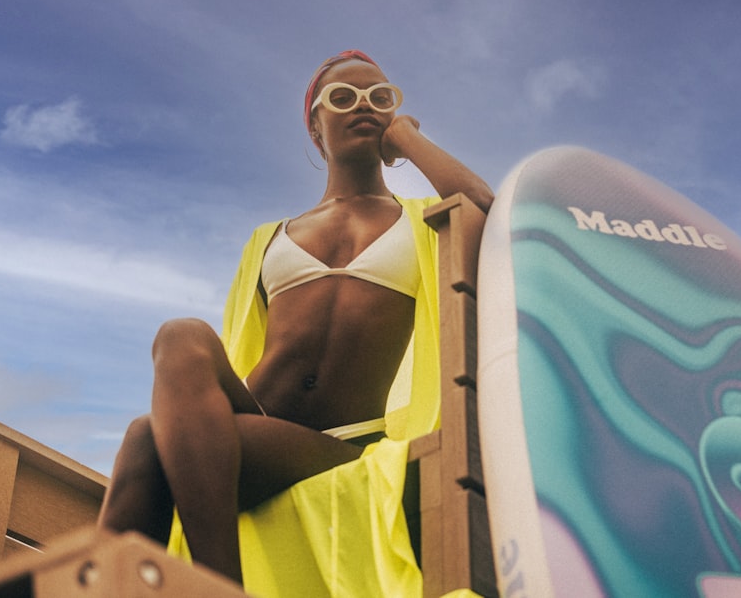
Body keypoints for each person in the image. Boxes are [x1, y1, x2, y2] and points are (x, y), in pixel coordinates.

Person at [97, 50, 493, 588]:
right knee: (180, 337)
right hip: (257, 420)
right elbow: (243, 346)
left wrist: (406, 139)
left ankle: (211, 584)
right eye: (343, 98)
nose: (364, 107)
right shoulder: (270, 238)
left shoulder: (424, 222)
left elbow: (482, 207)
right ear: (315, 126)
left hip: (345, 442)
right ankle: (204, 584)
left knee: (147, 438)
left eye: (380, 98)